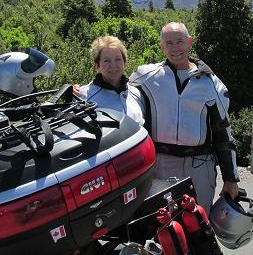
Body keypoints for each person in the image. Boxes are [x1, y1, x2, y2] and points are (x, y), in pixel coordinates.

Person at [129, 22, 239, 211]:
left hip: (199, 167)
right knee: (163, 226)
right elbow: (116, 86)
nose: (175, 48)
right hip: (161, 165)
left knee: (200, 226)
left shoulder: (211, 84)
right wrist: (81, 91)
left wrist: (231, 179)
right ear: (162, 47)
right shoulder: (146, 76)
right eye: (169, 43)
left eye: (179, 41)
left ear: (189, 42)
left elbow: (223, 133)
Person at [73, 36, 144, 125]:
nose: (113, 65)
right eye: (107, 61)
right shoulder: (82, 96)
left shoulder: (136, 94)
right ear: (97, 66)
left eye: (118, 59)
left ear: (124, 63)